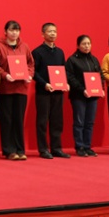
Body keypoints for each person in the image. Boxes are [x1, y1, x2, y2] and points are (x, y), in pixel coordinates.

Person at [0, 20, 34, 161]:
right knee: (7, 120)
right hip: (5, 90)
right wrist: (5, 75)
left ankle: (20, 150)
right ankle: (9, 150)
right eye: (11, 30)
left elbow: (31, 64)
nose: (14, 33)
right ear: (5, 32)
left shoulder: (25, 47)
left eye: (17, 30)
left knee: (19, 120)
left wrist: (29, 75)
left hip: (21, 89)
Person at [32, 22, 71, 160]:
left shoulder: (60, 52)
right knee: (42, 121)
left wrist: (66, 83)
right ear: (43, 34)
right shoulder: (37, 52)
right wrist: (45, 84)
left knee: (57, 121)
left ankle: (56, 148)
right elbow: (33, 72)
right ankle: (43, 149)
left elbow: (63, 70)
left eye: (55, 31)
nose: (53, 34)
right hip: (43, 91)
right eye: (49, 31)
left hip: (58, 91)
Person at [64, 35, 102, 157]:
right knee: (79, 122)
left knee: (90, 122)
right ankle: (79, 146)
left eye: (89, 44)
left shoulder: (94, 60)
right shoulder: (72, 60)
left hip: (93, 95)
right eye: (84, 44)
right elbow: (70, 77)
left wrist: (101, 88)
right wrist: (82, 90)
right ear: (78, 45)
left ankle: (87, 146)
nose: (87, 46)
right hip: (79, 96)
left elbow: (100, 75)